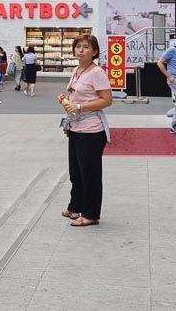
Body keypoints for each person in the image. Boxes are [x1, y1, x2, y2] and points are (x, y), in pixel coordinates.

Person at [58, 35, 112, 227]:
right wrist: (67, 101)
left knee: (90, 173)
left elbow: (107, 100)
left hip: (91, 130)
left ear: (95, 52)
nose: (80, 50)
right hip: (76, 127)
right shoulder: (78, 70)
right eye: (78, 46)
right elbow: (75, 97)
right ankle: (75, 206)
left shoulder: (97, 72)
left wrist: (79, 106)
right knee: (76, 172)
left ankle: (90, 214)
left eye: (86, 47)